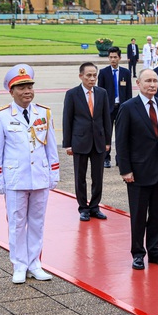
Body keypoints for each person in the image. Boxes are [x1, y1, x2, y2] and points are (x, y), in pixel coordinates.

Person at [0, 64, 59, 283]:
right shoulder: (1, 116)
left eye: (29, 86)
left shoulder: (43, 113)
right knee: (17, 223)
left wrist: (53, 173)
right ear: (11, 92)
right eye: (21, 87)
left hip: (39, 176)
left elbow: (51, 147)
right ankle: (19, 265)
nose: (27, 91)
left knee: (37, 222)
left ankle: (35, 263)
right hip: (16, 179)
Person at [116, 69, 158, 270]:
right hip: (138, 172)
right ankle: (138, 253)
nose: (152, 84)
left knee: (157, 214)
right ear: (138, 83)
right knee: (138, 215)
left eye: (155, 81)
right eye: (148, 81)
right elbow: (122, 141)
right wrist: (125, 170)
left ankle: (155, 251)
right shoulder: (128, 107)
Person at [63, 62, 111, 222]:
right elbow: (67, 120)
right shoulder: (72, 94)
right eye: (88, 75)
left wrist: (107, 141)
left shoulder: (102, 93)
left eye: (94, 75)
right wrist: (67, 144)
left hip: (98, 141)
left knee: (98, 177)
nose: (92, 79)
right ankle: (83, 208)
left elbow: (106, 118)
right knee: (80, 177)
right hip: (80, 141)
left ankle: (95, 207)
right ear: (81, 76)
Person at [98, 46, 132, 168]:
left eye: (115, 57)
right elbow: (100, 92)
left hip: (121, 108)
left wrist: (129, 108)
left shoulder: (126, 73)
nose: (113, 59)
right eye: (111, 57)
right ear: (108, 58)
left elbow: (128, 92)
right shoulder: (103, 73)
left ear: (119, 58)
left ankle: (120, 158)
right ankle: (106, 158)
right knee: (107, 134)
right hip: (108, 108)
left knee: (121, 134)